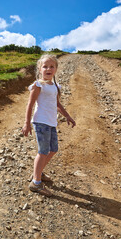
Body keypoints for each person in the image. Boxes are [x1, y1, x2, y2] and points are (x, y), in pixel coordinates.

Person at [22, 54, 76, 196]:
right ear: (40, 69)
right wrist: (27, 123)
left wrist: (68, 116)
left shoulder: (55, 86)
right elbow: (30, 104)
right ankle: (36, 183)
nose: (48, 69)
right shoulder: (38, 85)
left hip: (51, 122)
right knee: (43, 151)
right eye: (45, 66)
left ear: (56, 69)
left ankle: (37, 173)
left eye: (52, 66)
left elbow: (57, 104)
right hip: (40, 121)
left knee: (53, 149)